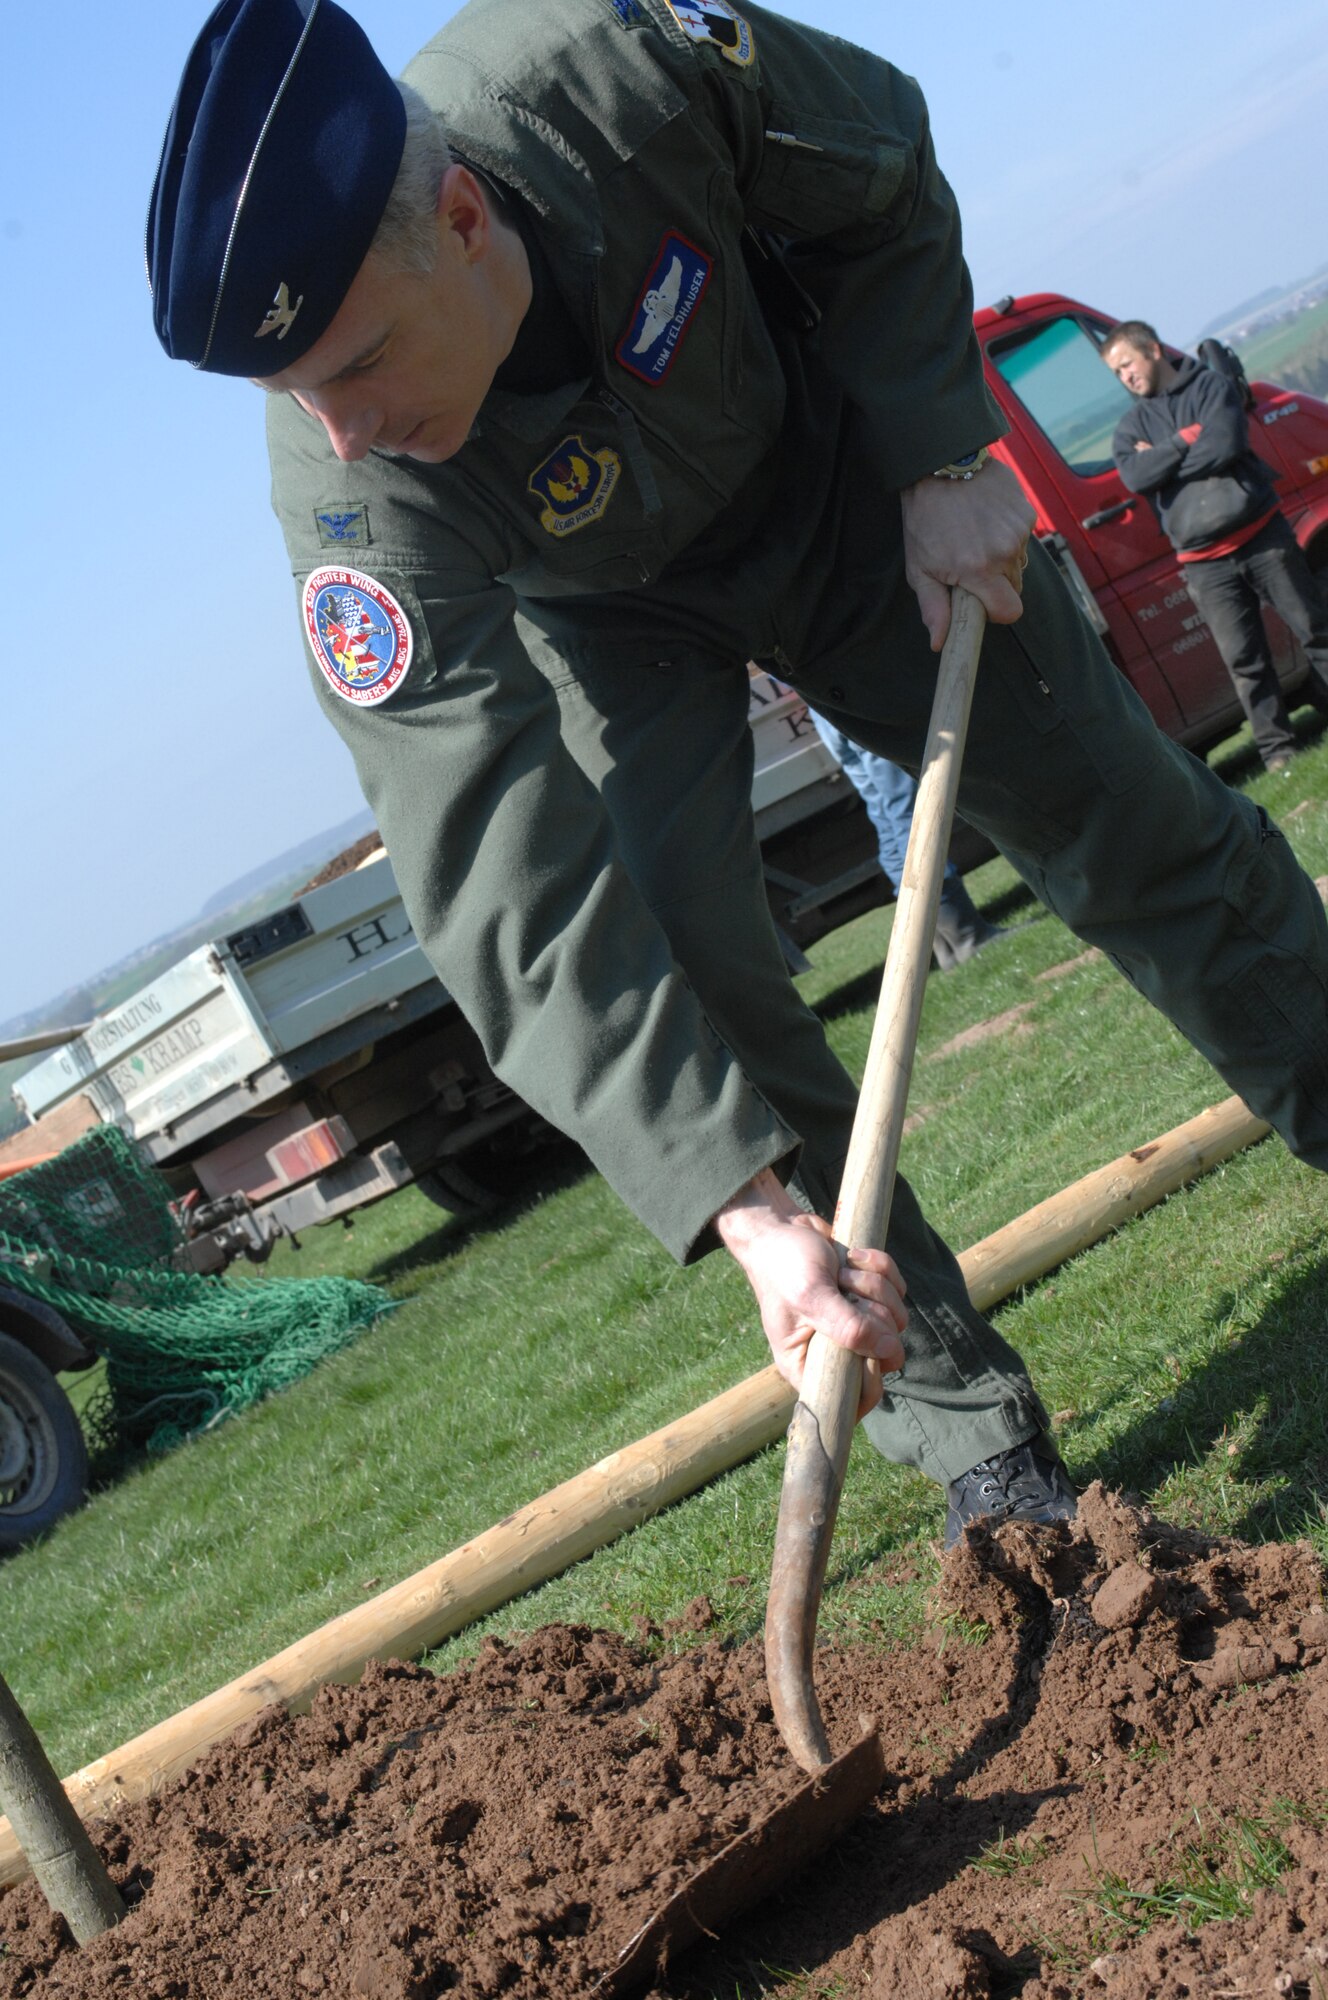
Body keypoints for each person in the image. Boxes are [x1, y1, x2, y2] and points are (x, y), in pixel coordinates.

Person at [148, 0, 1328, 1549]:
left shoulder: (615, 69)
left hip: (844, 475)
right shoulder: (350, 495)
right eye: (298, 395)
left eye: (359, 361)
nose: (343, 432)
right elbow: (496, 873)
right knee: (693, 957)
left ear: (460, 214)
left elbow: (883, 170)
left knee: (1115, 808)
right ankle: (979, 1446)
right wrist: (742, 1206)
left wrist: (940, 452)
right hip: (610, 619)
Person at [1103, 319, 1328, 774]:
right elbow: (1135, 476)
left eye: (1127, 363)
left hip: (1262, 535)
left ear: (1152, 350)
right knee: (1245, 662)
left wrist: (1163, 457)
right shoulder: (1130, 428)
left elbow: (1224, 445)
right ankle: (1278, 753)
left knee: (1315, 629)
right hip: (1204, 565)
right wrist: (1187, 438)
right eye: (1117, 372)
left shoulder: (1209, 386)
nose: (1125, 376)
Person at [805, 709, 1005, 968]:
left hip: (825, 714)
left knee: (888, 819)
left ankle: (944, 946)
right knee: (910, 811)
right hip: (856, 706)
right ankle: (967, 936)